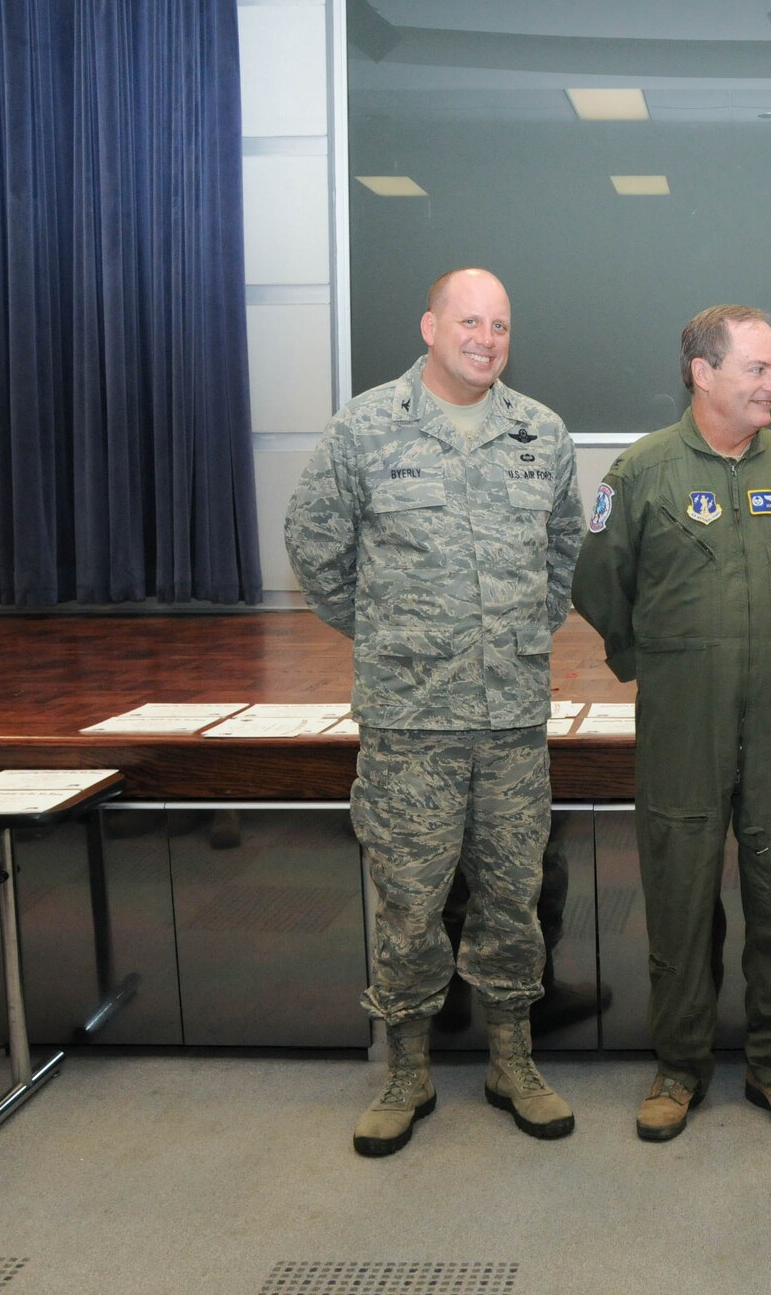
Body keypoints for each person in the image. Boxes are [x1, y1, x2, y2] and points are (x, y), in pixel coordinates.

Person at [285, 267, 583, 1155]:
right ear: (428, 326)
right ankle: (406, 1070)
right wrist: (391, 631)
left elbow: (563, 550)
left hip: (512, 721)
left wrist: (520, 628)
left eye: (499, 323)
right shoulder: (366, 426)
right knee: (410, 903)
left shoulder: (542, 432)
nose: (484, 338)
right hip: (410, 722)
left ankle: (513, 1061)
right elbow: (316, 546)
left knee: (512, 897)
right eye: (467, 321)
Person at [572, 305, 771, 1141]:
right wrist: (664, 660)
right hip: (682, 719)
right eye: (759, 369)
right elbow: (599, 584)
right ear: (703, 372)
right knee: (680, 894)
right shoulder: (642, 472)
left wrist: (761, 647)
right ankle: (679, 1066)